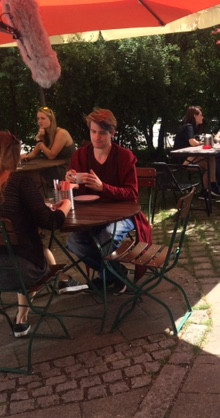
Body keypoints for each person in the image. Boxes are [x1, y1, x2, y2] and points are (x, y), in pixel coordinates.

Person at [0, 131, 72, 337]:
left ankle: (26, 314)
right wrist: (66, 205)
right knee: (33, 255)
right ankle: (38, 302)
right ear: (11, 156)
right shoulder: (19, 182)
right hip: (15, 272)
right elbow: (51, 222)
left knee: (35, 251)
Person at [65, 108, 151, 291]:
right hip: (91, 216)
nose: (96, 137)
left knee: (106, 237)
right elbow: (75, 192)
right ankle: (116, 274)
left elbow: (132, 194)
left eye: (102, 133)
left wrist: (103, 187)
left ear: (112, 133)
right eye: (93, 131)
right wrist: (70, 182)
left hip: (123, 215)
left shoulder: (124, 157)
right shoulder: (81, 155)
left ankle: (110, 278)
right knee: (74, 242)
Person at [21, 106, 76, 191]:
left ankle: (42, 195)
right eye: (38, 118)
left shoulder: (61, 133)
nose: (39, 121)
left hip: (67, 169)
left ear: (51, 120)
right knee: (28, 174)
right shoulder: (46, 134)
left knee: (35, 175)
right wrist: (26, 157)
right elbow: (35, 153)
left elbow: (51, 155)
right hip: (54, 166)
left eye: (43, 118)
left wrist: (40, 141)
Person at [173, 105, 220, 196]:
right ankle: (210, 187)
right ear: (195, 116)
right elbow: (193, 142)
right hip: (181, 160)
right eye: (201, 115)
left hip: (187, 157)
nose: (202, 117)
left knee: (210, 159)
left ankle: (209, 187)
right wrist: (205, 143)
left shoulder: (192, 128)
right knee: (208, 162)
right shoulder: (188, 126)